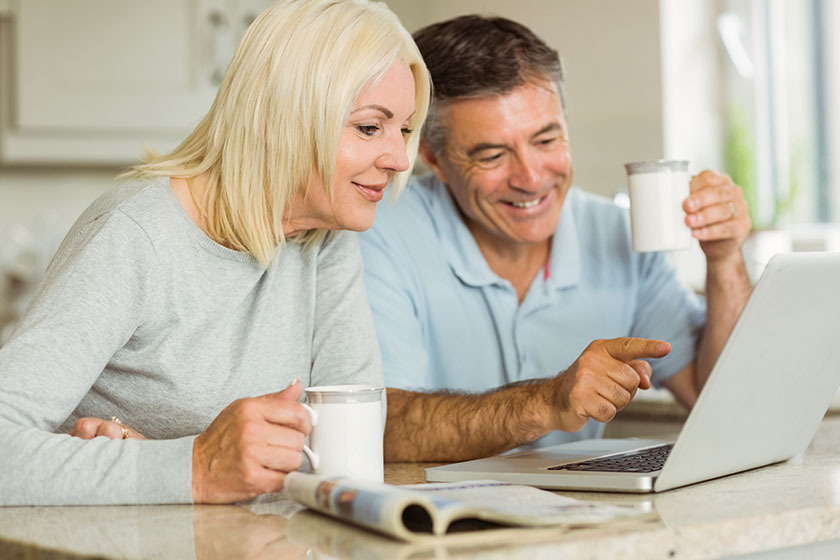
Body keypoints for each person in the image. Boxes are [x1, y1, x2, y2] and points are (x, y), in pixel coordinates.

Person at [0, 0, 430, 505]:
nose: (401, 159)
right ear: (283, 117)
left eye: (403, 129)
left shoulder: (325, 236)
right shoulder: (136, 234)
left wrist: (171, 465)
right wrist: (192, 467)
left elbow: (345, 450)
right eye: (368, 127)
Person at [359, 15, 752, 462]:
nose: (530, 179)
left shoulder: (617, 233)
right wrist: (545, 402)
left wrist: (724, 261)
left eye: (546, 140)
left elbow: (714, 395)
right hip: (435, 521)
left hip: (574, 520)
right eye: (492, 154)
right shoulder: (379, 232)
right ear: (434, 158)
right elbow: (384, 429)